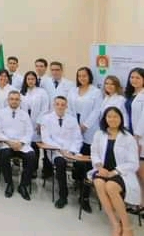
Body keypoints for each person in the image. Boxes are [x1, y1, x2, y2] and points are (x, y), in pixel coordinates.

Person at [90, 107, 140, 236]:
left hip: (121, 173)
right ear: (105, 119)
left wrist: (114, 172)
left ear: (121, 119)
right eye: (109, 116)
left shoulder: (128, 137)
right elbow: (94, 152)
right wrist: (99, 166)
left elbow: (134, 163)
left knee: (111, 187)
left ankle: (127, 226)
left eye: (115, 117)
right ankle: (115, 223)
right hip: (102, 170)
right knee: (100, 184)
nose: (112, 119)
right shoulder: (99, 134)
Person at [68, 66, 102, 213]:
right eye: (79, 75)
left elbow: (97, 110)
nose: (82, 78)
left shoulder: (96, 92)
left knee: (87, 163)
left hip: (90, 131)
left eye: (85, 76)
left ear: (90, 77)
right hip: (74, 128)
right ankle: (78, 183)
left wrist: (85, 125)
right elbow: (69, 108)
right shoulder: (73, 91)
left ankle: (85, 196)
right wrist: (75, 126)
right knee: (76, 159)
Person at [40, 96, 83, 209]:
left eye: (62, 104)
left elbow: (78, 138)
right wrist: (61, 150)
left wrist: (72, 151)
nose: (60, 106)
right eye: (57, 104)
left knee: (83, 164)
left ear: (66, 106)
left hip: (72, 151)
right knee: (60, 163)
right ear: (54, 105)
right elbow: (46, 138)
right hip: (55, 151)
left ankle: (84, 197)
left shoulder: (72, 120)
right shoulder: (46, 119)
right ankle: (63, 195)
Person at [0, 90, 35, 201]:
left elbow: (29, 131)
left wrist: (21, 143)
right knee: (4, 154)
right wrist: (9, 142)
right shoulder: (1, 113)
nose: (14, 101)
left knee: (31, 156)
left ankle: (23, 185)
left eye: (16, 99)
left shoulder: (25, 114)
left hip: (22, 144)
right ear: (8, 100)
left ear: (20, 101)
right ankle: (9, 183)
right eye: (12, 99)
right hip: (7, 144)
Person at [20, 71, 49, 178]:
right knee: (24, 145)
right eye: (28, 79)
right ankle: (25, 167)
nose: (30, 81)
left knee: (34, 146)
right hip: (24, 123)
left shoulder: (42, 92)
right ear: (25, 80)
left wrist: (40, 122)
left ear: (36, 80)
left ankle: (34, 169)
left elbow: (45, 108)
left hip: (37, 123)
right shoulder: (22, 92)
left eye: (32, 79)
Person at [125, 67, 144, 211]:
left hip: (140, 138)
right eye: (132, 77)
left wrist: (137, 139)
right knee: (134, 172)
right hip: (130, 137)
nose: (134, 80)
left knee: (141, 172)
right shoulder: (131, 94)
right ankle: (139, 203)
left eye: (138, 77)